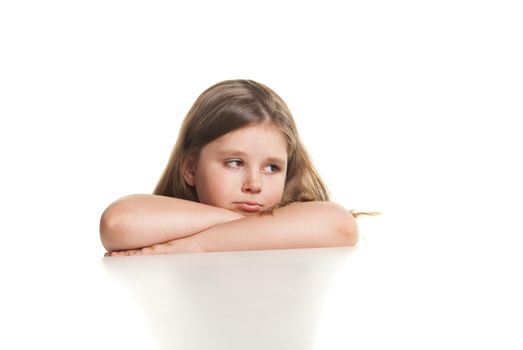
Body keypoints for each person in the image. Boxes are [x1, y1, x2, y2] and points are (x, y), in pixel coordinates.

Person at [100, 79, 363, 256]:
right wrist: (259, 223)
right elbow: (119, 222)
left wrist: (199, 245)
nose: (254, 184)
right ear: (190, 168)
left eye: (271, 168)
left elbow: (341, 225)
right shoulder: (166, 219)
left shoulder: (303, 217)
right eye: (235, 163)